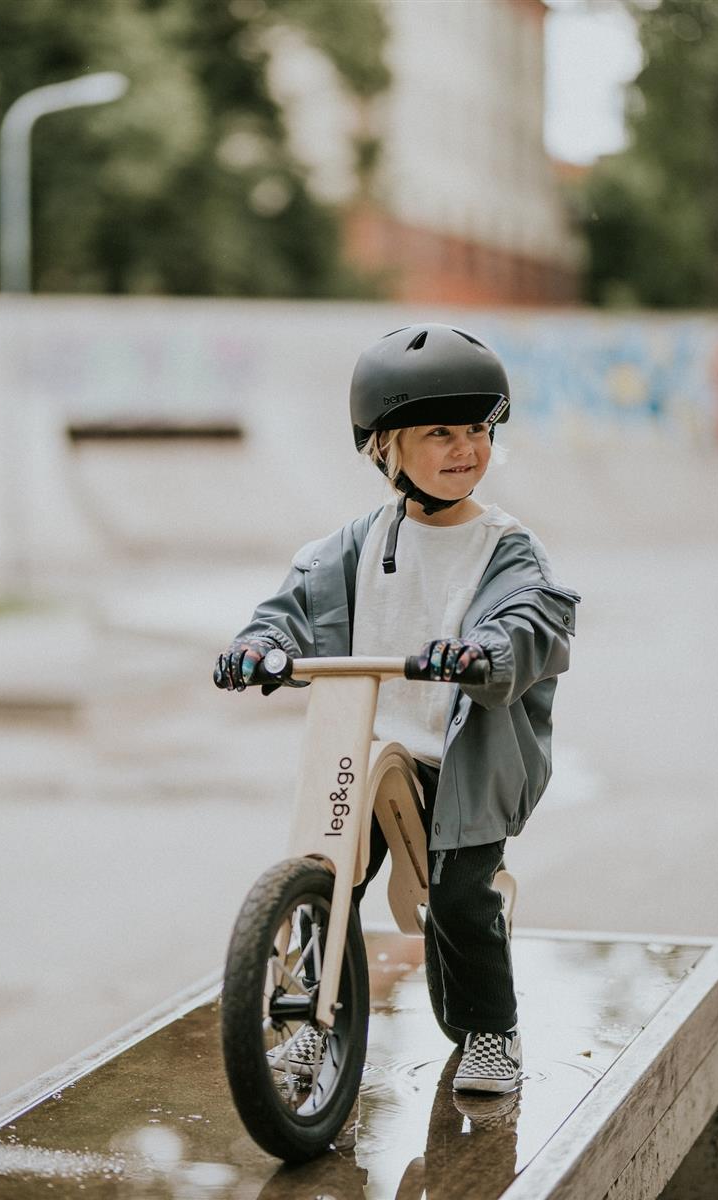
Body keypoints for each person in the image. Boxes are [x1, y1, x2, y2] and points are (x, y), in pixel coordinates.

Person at [213, 323, 579, 1095]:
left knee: (456, 897)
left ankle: (492, 1031)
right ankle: (314, 1020)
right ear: (385, 447)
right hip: (371, 742)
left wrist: (486, 649)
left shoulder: (506, 548)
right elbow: (293, 606)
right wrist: (258, 646)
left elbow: (531, 618)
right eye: (438, 433)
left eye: (478, 430)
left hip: (464, 757)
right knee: (329, 871)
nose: (464, 449)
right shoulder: (354, 544)